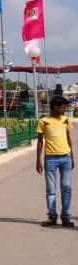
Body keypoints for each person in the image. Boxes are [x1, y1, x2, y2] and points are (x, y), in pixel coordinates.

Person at [36, 95, 74, 227]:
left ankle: (66, 217)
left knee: (66, 188)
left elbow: (69, 138)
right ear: (55, 107)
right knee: (51, 189)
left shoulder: (66, 120)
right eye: (63, 107)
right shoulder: (44, 121)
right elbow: (40, 142)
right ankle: (52, 217)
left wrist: (72, 157)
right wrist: (38, 160)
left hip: (66, 158)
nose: (64, 109)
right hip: (50, 159)